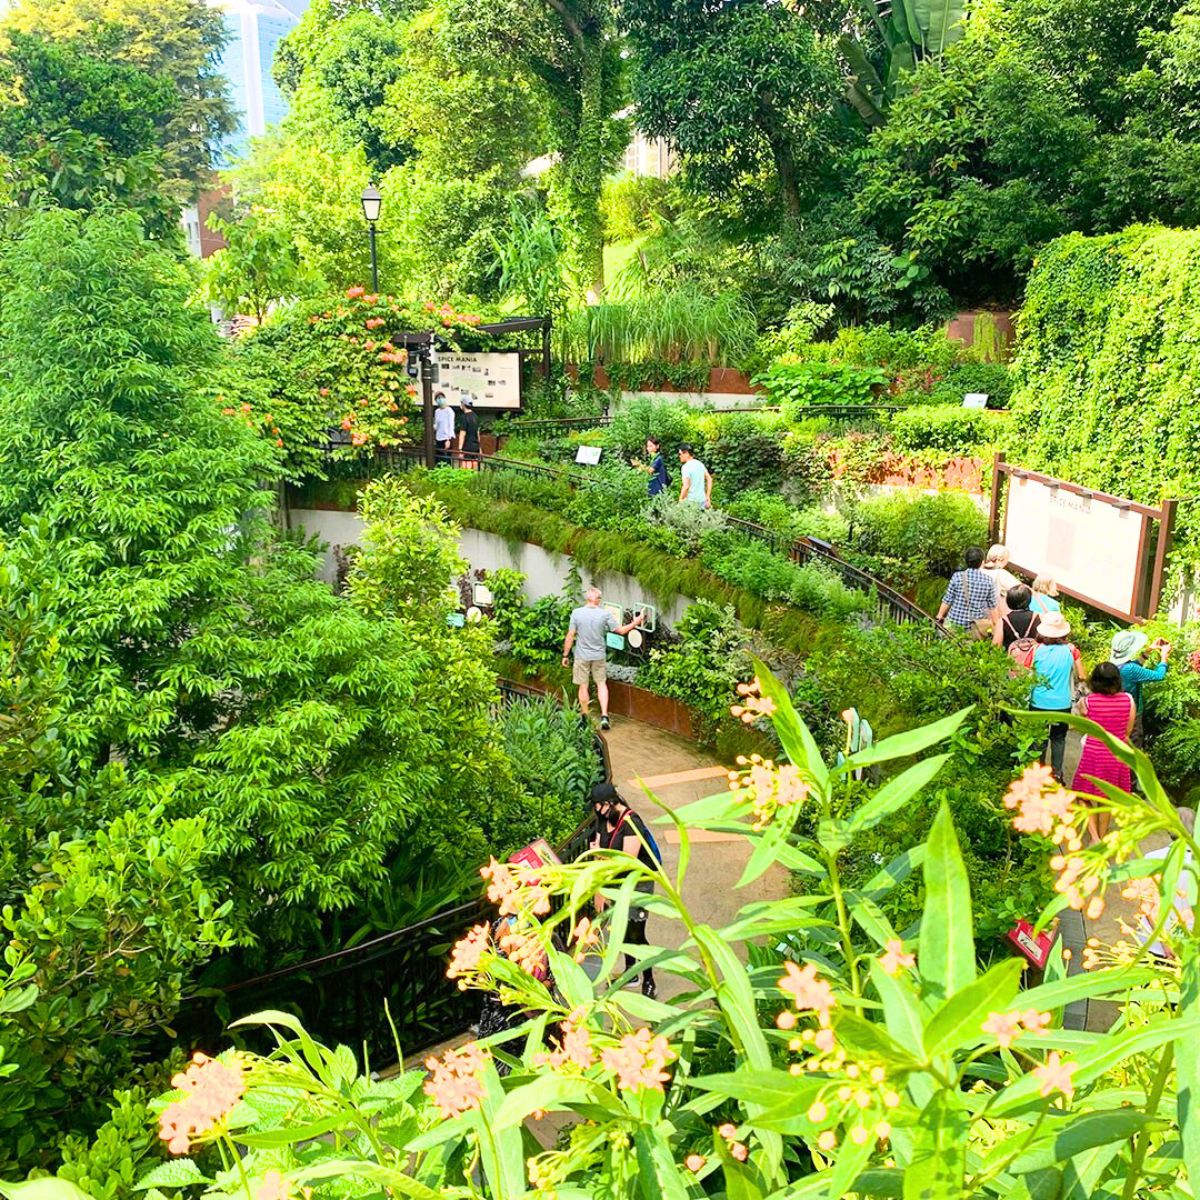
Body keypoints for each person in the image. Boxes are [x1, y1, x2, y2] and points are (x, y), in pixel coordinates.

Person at [591, 782, 658, 998]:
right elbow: (601, 850)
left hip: (637, 882)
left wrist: (599, 856)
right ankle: (632, 972)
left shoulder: (631, 822)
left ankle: (649, 979)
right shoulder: (604, 820)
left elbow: (626, 861)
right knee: (622, 929)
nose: (596, 810)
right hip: (617, 881)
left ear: (610, 803)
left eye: (598, 806)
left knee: (636, 933)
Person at [562, 587, 645, 730]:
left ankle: (585, 717)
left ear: (587, 598)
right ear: (598, 600)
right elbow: (621, 631)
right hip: (599, 655)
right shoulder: (604, 614)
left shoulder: (577, 613)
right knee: (601, 683)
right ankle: (605, 716)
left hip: (582, 656)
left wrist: (565, 655)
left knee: (583, 686)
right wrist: (637, 621)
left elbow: (570, 636)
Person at [1072, 661, 1135, 841]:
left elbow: (1080, 726)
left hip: (1094, 755)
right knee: (1106, 798)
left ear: (1095, 680)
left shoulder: (1087, 702)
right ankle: (1100, 838)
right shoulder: (1128, 700)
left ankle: (1094, 837)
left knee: (1082, 795)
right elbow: (1127, 732)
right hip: (1117, 755)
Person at [1026, 612, 1082, 783]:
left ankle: (1040, 774)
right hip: (1062, 703)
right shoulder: (1072, 651)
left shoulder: (1035, 649)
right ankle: (1057, 774)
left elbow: (1025, 673)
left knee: (1039, 739)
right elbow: (1082, 674)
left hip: (1038, 702)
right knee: (1058, 738)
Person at [1110, 631, 1171, 744]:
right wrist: (1164, 657)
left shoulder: (1113, 664)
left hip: (1116, 710)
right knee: (1133, 743)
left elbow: (1133, 665)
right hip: (1131, 713)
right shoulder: (1130, 669)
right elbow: (1159, 675)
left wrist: (1149, 650)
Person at [936, 546, 1000, 639]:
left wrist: (939, 615)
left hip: (954, 623)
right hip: (974, 627)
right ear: (982, 562)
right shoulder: (988, 581)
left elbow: (948, 599)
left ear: (966, 561)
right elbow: (993, 607)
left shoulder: (957, 576)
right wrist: (996, 625)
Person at [994, 583, 1041, 650]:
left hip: (1011, 659)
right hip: (1034, 658)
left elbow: (996, 646)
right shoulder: (1038, 617)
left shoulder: (1003, 621)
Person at [983, 544, 1021, 608]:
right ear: (1001, 558)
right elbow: (1020, 589)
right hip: (994, 612)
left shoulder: (978, 570)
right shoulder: (1001, 574)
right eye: (1007, 559)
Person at [456, 394, 480, 469]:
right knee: (474, 464)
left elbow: (462, 434)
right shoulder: (476, 416)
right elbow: (478, 433)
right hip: (475, 445)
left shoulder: (464, 417)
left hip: (467, 446)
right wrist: (479, 446)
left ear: (463, 404)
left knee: (466, 466)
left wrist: (460, 449)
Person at [433, 392, 455, 465]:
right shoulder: (437, 411)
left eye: (441, 397)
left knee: (446, 460)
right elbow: (436, 425)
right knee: (438, 460)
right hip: (438, 438)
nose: (440, 400)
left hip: (446, 438)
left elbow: (451, 426)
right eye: (438, 398)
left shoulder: (449, 411)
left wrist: (448, 439)